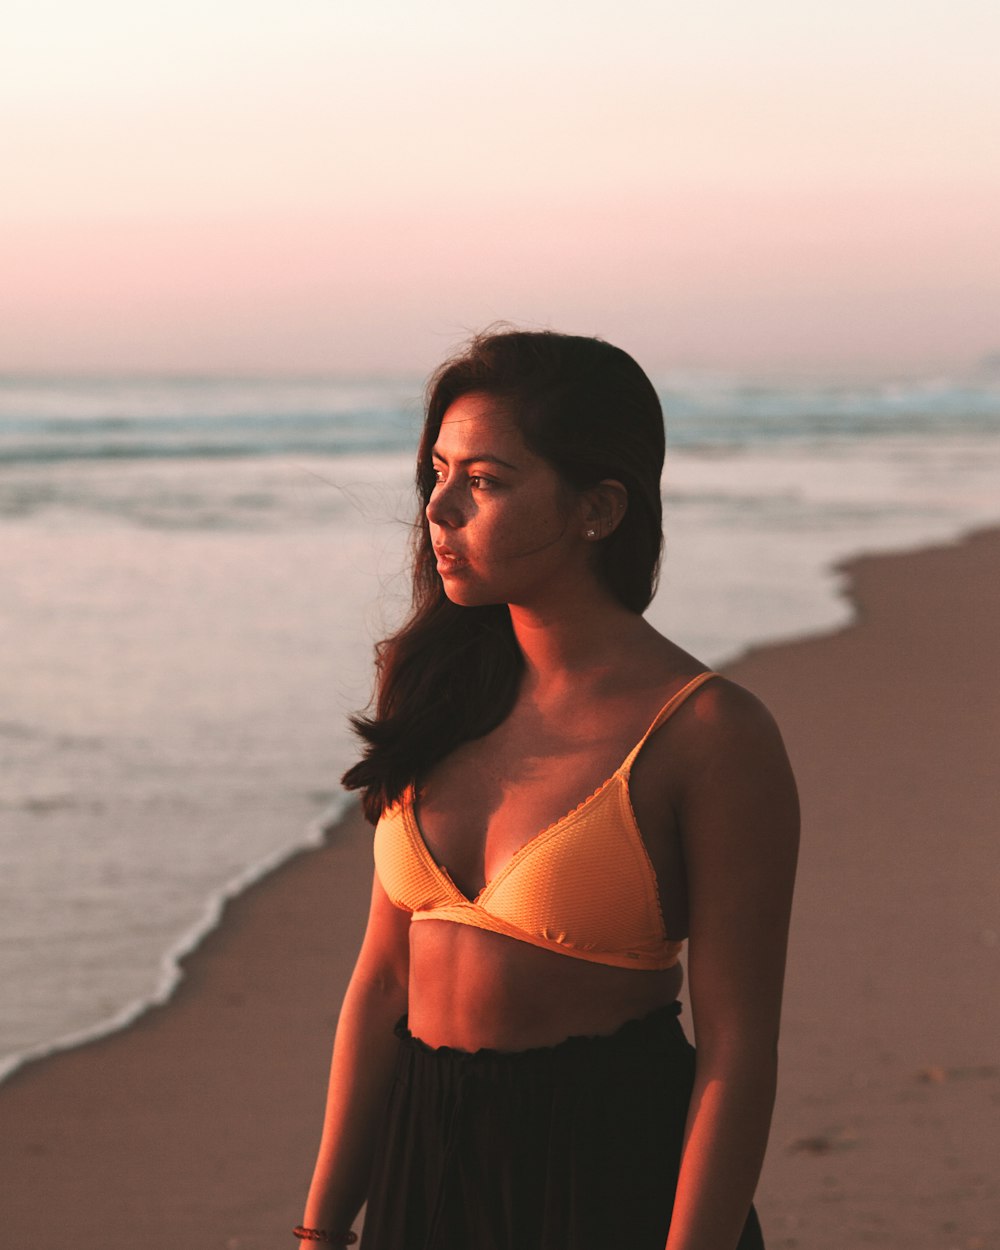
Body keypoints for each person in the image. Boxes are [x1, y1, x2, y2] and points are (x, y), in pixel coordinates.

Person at [297, 328, 799, 1250]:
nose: (438, 507)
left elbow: (738, 1049)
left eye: (484, 481)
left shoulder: (711, 734)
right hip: (423, 1163)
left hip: (606, 1176)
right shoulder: (435, 692)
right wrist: (321, 1230)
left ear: (597, 508)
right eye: (437, 471)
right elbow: (380, 984)